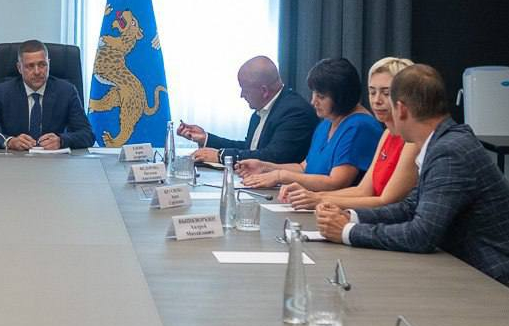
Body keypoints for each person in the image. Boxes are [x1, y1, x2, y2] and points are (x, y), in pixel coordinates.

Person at [315, 64, 509, 285]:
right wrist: (351, 216)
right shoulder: (445, 142)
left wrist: (347, 231)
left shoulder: (450, 152)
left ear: (401, 109)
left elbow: (421, 235)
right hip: (476, 273)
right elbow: (410, 207)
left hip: (504, 282)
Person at [280, 57, 419, 210]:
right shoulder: (387, 134)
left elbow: (386, 200)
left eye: (386, 93)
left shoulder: (412, 141)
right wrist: (312, 196)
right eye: (372, 92)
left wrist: (318, 199)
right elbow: (363, 190)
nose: (376, 100)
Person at [237, 58, 383, 191]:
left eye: (321, 97)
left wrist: (280, 176)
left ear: (341, 97)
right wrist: (264, 167)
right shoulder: (328, 122)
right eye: (313, 94)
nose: (313, 102)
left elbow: (336, 182)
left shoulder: (360, 126)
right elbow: (303, 167)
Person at [176, 55, 317, 165]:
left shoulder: (294, 112)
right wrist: (206, 138)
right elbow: (251, 149)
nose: (241, 95)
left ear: (264, 91)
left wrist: (221, 156)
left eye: (245, 89)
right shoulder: (261, 111)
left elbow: (274, 156)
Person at [0, 39, 94, 150]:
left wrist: (61, 140)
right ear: (19, 68)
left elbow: (87, 134)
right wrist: (9, 141)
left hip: (54, 162)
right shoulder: (3, 92)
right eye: (30, 66)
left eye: (42, 65)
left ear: (49, 64)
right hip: (14, 161)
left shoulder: (66, 91)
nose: (37, 71)